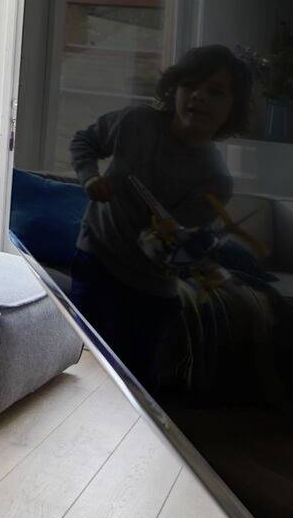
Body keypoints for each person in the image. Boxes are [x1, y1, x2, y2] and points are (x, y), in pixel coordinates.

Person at [69, 44, 257, 395]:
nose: (198, 96)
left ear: (233, 109)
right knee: (73, 372)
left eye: (215, 92)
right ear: (175, 89)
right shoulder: (135, 122)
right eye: (190, 85)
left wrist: (173, 249)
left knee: (130, 392)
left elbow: (168, 249)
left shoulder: (217, 180)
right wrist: (89, 177)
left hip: (149, 294)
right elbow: (84, 141)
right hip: (94, 263)